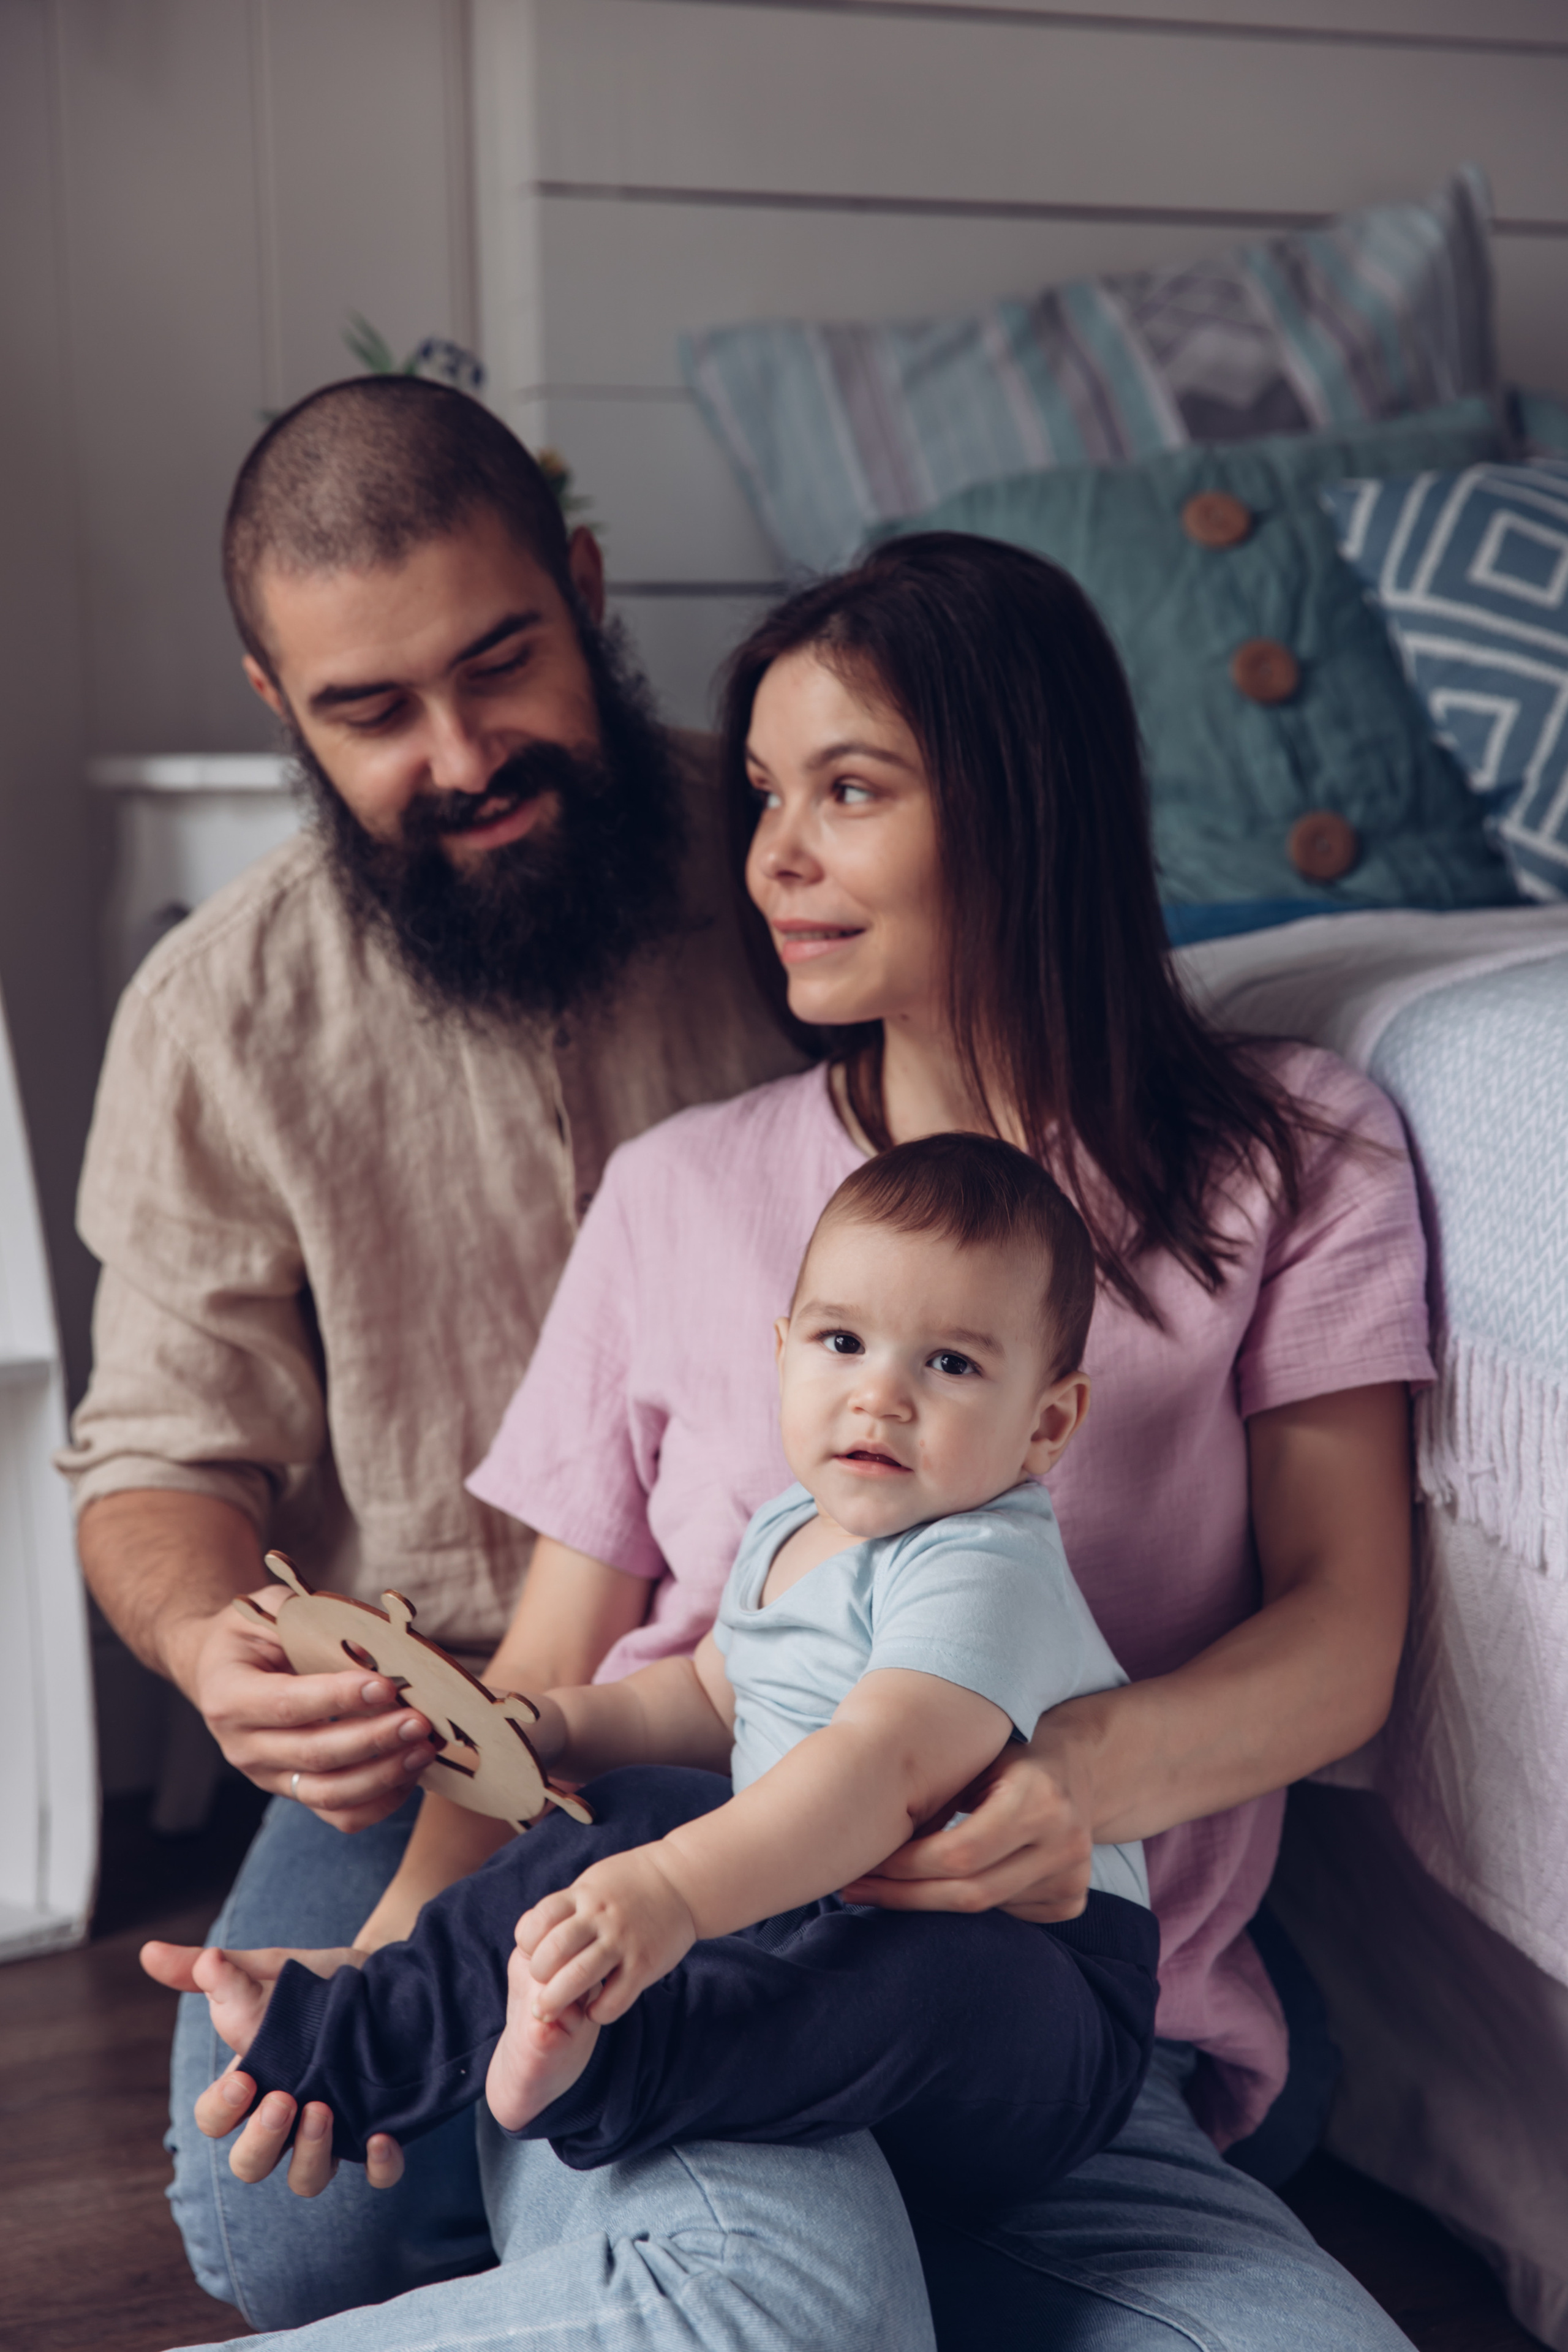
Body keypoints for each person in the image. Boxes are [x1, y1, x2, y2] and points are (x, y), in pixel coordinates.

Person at [164, 532, 1430, 2352]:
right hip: (678, 1964)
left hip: (1037, 2027)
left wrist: (1074, 1786)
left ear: (1025, 806)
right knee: (762, 2300)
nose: (775, 859)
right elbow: (554, 1672)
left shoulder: (1299, 1157)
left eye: (850, 791)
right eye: (766, 793)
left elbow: (1343, 1633)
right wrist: (403, 1989)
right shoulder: (679, 1193)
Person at [59, 373, 823, 2321]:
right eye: (371, 713)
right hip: (447, 1748)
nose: (465, 754)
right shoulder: (213, 1017)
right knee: (281, 2222)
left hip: (812, 1690)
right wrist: (211, 1643)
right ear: (277, 706)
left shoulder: (798, 876)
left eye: (502, 665)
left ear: (582, 587)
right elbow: (158, 1459)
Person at [156, 1136, 1159, 2208]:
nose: (879, 1398)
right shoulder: (789, 1528)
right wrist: (550, 1728)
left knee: (936, 1978)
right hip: (817, 1905)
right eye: (842, 1342)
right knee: (624, 1809)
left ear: (1047, 1425)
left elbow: (882, 1768)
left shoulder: (985, 1562)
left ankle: (613, 2066)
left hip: (1035, 1995)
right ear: (782, 1354)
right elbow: (702, 1698)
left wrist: (675, 1892)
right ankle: (366, 2028)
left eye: (949, 1364)